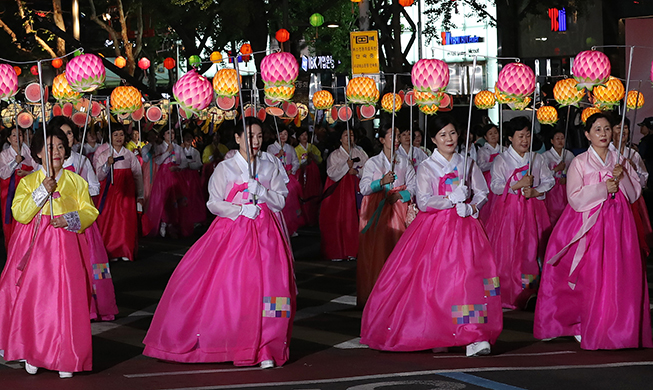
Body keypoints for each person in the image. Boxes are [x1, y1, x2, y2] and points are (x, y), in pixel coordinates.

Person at [143, 117, 295, 368]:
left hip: (268, 236)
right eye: (249, 136)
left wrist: (263, 192)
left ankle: (268, 345)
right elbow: (213, 203)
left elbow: (281, 201)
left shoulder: (270, 165)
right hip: (234, 235)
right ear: (237, 138)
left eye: (259, 136)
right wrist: (240, 209)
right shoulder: (226, 169)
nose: (255, 141)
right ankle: (237, 341)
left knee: (273, 290)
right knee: (237, 289)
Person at [360, 115, 502, 356]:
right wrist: (449, 199)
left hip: (466, 229)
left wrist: (472, 206)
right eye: (443, 135)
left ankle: (474, 334)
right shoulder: (426, 167)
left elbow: (482, 192)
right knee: (437, 282)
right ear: (434, 140)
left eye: (452, 133)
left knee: (470, 279)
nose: (449, 139)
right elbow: (424, 202)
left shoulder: (467, 163)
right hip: (435, 231)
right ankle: (439, 330)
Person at [534, 113, 652, 350]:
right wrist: (602, 188)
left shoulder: (620, 159)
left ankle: (620, 326)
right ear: (587, 134)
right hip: (590, 225)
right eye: (597, 129)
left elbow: (633, 194)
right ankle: (584, 322)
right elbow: (575, 198)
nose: (603, 134)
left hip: (620, 224)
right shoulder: (579, 162)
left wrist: (624, 176)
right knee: (590, 275)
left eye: (607, 129)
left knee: (620, 275)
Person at [0, 127, 98, 378]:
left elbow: (90, 212)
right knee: (35, 299)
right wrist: (42, 190)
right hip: (35, 246)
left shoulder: (76, 181)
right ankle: (33, 350)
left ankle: (67, 355)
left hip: (66, 246)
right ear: (38, 153)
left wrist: (70, 219)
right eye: (50, 147)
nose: (56, 152)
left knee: (67, 299)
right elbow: (20, 213)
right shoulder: (29, 181)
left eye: (61, 147)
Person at [52, 116, 117, 321]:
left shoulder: (81, 160)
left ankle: (94, 305)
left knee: (90, 264)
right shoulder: (49, 162)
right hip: (57, 222)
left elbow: (95, 187)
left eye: (70, 133)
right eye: (62, 134)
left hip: (81, 221)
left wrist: (79, 186)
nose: (67, 138)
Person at [485, 116, 554, 310]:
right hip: (509, 211)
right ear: (510, 138)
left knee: (531, 249)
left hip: (533, 209)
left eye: (528, 135)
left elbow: (549, 181)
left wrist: (536, 191)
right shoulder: (502, 159)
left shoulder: (537, 158)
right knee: (508, 250)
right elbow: (496, 186)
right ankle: (506, 291)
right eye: (520, 136)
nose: (525, 140)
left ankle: (529, 291)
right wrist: (517, 185)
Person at [357, 124, 415, 307]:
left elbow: (414, 186)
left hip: (399, 209)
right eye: (392, 136)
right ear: (382, 140)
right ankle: (377, 294)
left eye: (398, 136)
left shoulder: (405, 162)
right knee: (378, 253)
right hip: (377, 212)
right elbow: (364, 188)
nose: (396, 140)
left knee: (399, 251)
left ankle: (399, 294)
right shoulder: (373, 162)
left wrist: (400, 195)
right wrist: (381, 182)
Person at [93, 125, 144, 261]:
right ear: (110, 137)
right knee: (110, 221)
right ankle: (110, 250)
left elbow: (138, 175)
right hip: (110, 193)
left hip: (126, 193)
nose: (119, 138)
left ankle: (125, 249)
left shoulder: (129, 155)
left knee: (126, 220)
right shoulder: (104, 155)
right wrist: (107, 165)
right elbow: (99, 176)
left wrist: (140, 195)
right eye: (115, 135)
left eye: (121, 134)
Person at [320, 126, 368, 261]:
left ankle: (354, 250)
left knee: (357, 219)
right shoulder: (334, 155)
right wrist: (346, 166)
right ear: (340, 138)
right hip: (339, 194)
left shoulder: (361, 153)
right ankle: (338, 252)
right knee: (339, 221)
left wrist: (357, 172)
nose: (349, 137)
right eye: (346, 135)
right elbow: (332, 174)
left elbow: (369, 169)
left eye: (351, 135)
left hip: (357, 190)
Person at [612, 117, 651, 257]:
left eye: (625, 128)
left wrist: (633, 171)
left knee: (633, 238)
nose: (622, 131)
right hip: (614, 202)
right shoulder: (607, 154)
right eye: (618, 127)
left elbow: (644, 179)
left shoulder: (634, 154)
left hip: (633, 202)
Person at [143, 126, 188, 238]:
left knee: (176, 200)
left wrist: (178, 167)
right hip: (163, 177)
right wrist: (167, 152)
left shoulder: (178, 147)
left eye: (172, 132)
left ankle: (174, 225)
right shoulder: (160, 147)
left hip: (175, 175)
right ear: (164, 135)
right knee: (163, 200)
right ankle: (163, 222)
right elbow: (157, 161)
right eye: (168, 133)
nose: (171, 135)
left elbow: (184, 162)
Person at [0, 126, 38, 248]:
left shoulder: (29, 152)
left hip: (27, 190)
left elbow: (38, 169)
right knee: (10, 222)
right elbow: (3, 173)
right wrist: (15, 162)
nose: (17, 138)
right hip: (9, 193)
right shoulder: (4, 154)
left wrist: (27, 173)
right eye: (14, 135)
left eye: (20, 135)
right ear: (9, 139)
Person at [267, 125, 303, 236]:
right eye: (280, 134)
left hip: (288, 177)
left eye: (285, 134)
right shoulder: (271, 148)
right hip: (276, 177)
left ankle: (292, 227)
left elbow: (296, 162)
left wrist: (291, 170)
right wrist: (278, 155)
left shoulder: (290, 148)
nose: (283, 136)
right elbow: (269, 163)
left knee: (291, 202)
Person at [542, 129, 575, 227]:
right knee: (552, 213)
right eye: (557, 139)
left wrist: (568, 179)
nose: (560, 141)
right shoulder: (545, 156)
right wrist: (556, 169)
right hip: (552, 190)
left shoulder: (569, 155)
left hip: (566, 187)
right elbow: (543, 175)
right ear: (552, 141)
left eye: (562, 138)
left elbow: (574, 172)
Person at [178, 130, 206, 234]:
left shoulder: (196, 152)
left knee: (194, 197)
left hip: (192, 176)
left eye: (190, 138)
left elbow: (199, 164)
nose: (188, 140)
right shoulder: (180, 150)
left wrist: (190, 165)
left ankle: (195, 219)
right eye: (186, 138)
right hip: (183, 175)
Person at [294, 127, 322, 227]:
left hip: (313, 174)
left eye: (305, 135)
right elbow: (296, 163)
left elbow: (320, 159)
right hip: (302, 173)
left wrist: (313, 156)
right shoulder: (296, 149)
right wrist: (305, 161)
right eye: (302, 135)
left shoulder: (312, 147)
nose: (304, 137)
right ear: (298, 138)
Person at [476, 124, 504, 225]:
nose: (493, 136)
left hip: (502, 178)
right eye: (490, 134)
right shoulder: (482, 151)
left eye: (495, 133)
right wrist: (496, 162)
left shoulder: (504, 149)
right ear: (485, 137)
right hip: (488, 179)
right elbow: (481, 166)